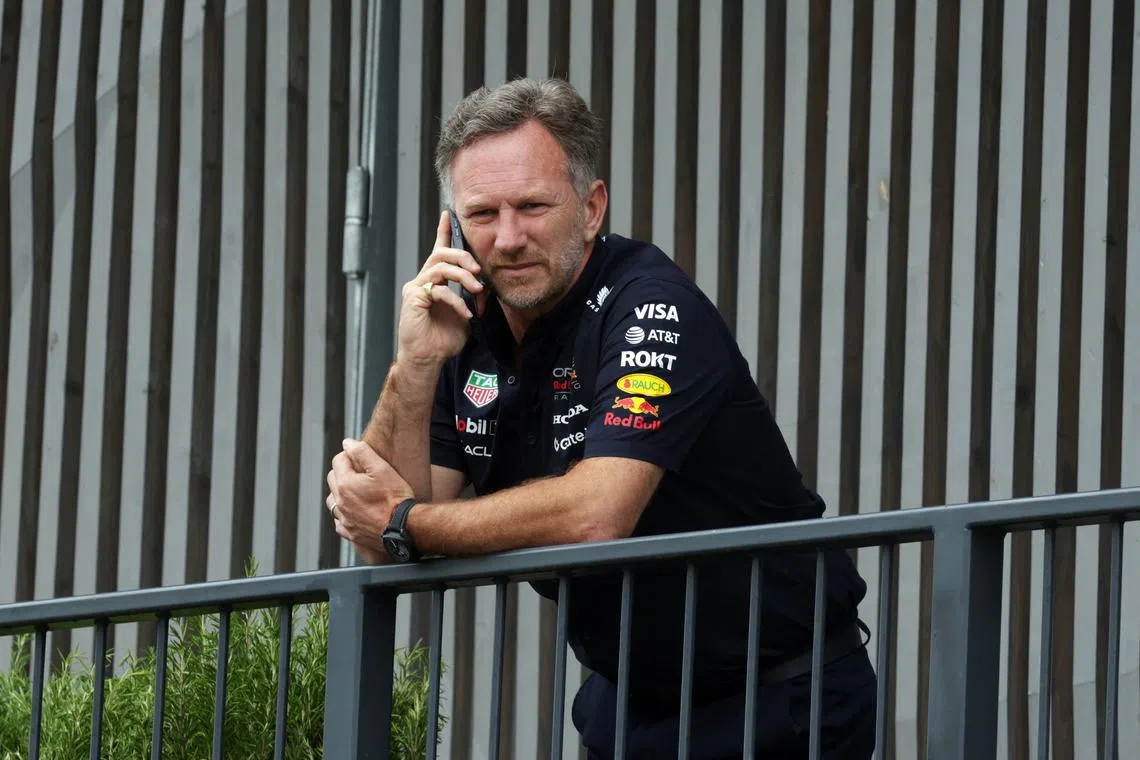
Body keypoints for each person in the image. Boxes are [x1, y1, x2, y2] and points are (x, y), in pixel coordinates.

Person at [325, 77, 876, 759]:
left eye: (532, 206)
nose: (508, 237)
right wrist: (414, 364)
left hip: (778, 697)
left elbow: (597, 513)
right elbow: (379, 539)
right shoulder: (461, 326)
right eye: (483, 213)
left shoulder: (650, 302)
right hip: (628, 706)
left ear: (591, 208)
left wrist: (412, 524)